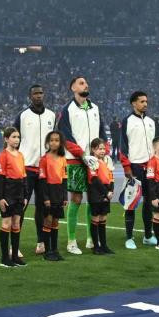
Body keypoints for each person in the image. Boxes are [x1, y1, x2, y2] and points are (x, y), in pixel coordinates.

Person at [60, 76, 101, 256]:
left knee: (93, 199)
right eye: (81, 83)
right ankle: (71, 241)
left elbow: (101, 132)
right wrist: (83, 155)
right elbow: (65, 137)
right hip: (76, 160)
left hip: (94, 161)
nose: (86, 85)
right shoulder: (67, 110)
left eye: (86, 83)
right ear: (73, 88)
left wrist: (102, 151)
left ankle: (91, 238)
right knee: (76, 199)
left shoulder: (95, 108)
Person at [117, 91, 157, 250]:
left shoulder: (151, 121)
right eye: (142, 101)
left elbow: (155, 146)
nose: (145, 104)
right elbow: (122, 146)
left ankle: (148, 236)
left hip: (150, 167)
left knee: (149, 202)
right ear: (134, 103)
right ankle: (129, 238)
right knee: (131, 202)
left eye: (146, 101)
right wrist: (126, 167)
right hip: (135, 167)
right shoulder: (127, 121)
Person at [0, 126, 30, 267]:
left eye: (18, 137)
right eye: (14, 137)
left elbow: (24, 176)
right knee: (6, 223)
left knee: (16, 223)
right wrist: (1, 198)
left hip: (19, 193)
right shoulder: (3, 155)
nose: (17, 139)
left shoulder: (20, 155)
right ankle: (5, 258)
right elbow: (1, 177)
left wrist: (26, 195)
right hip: (8, 192)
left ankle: (15, 256)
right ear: (6, 139)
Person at [34, 130, 68, 260]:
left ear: (60, 143)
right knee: (48, 221)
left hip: (59, 193)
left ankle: (55, 250)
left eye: (57, 140)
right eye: (51, 140)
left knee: (55, 222)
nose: (54, 143)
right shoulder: (44, 159)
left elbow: (64, 179)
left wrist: (65, 196)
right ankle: (47, 251)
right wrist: (46, 198)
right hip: (48, 192)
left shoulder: (63, 159)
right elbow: (42, 181)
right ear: (48, 142)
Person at [83, 138, 115, 255]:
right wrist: (106, 193)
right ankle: (96, 247)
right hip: (95, 192)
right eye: (99, 149)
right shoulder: (91, 161)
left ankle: (104, 245)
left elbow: (111, 177)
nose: (102, 151)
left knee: (103, 219)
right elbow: (95, 179)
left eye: (103, 149)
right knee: (95, 218)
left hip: (106, 192)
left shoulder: (107, 161)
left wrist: (111, 190)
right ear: (93, 150)